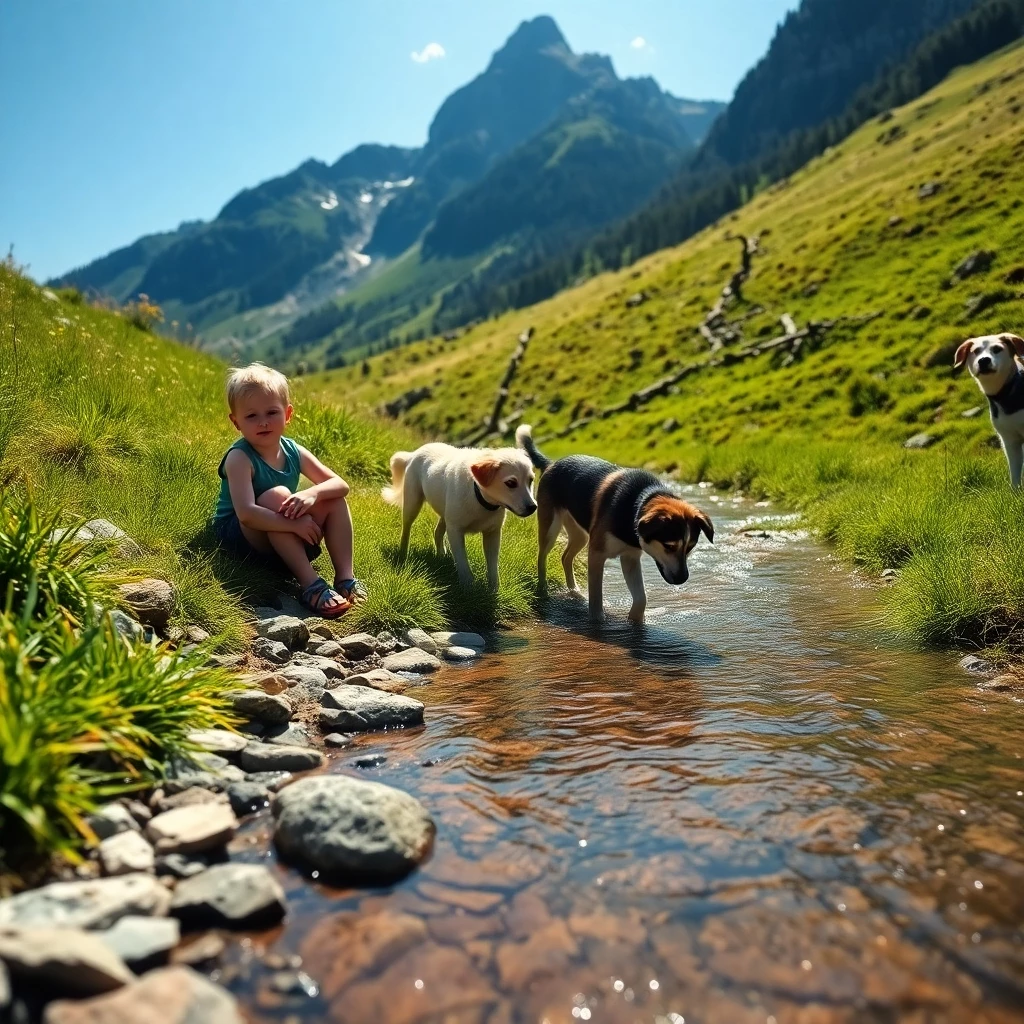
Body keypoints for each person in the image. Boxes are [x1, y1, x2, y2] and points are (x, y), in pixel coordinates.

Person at [212, 363, 364, 617]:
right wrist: (294, 525)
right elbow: (246, 514)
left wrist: (311, 494)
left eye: (272, 412)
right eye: (251, 416)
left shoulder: (293, 450)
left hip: (284, 537)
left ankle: (345, 578)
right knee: (277, 496)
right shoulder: (239, 457)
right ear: (236, 422)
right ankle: (310, 585)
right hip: (240, 538)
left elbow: (341, 485)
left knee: (333, 498)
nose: (263, 422)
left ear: (288, 413)